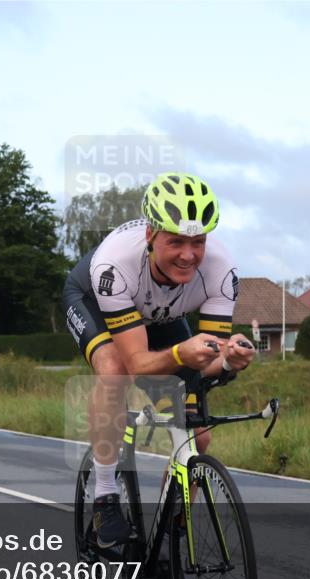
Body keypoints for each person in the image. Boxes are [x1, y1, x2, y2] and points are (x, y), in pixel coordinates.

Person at [62, 172, 255, 551]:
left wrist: (228, 360)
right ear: (151, 235)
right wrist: (182, 353)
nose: (189, 255)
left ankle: (169, 538)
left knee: (198, 436)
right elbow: (138, 365)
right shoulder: (114, 265)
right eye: (176, 241)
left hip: (162, 317)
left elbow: (207, 363)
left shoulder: (222, 272)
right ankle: (104, 495)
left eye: (198, 242)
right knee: (115, 371)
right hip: (93, 301)